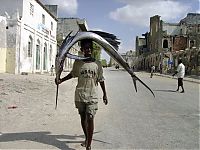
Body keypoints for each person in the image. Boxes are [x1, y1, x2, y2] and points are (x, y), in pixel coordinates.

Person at [55, 39, 108, 150]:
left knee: (90, 117)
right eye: (85, 48)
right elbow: (72, 74)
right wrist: (61, 80)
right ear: (82, 50)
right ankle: (86, 138)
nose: (88, 50)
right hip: (80, 95)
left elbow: (101, 79)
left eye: (89, 48)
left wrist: (104, 94)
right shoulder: (78, 63)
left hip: (92, 95)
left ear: (92, 50)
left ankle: (88, 145)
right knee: (83, 117)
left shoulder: (97, 64)